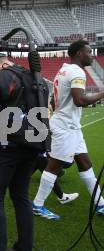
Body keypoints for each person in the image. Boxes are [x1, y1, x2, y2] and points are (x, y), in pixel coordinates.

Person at [0, 52, 49, 251]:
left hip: (5, 148)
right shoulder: (38, 79)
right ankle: (25, 246)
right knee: (21, 196)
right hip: (33, 148)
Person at [33, 40, 104, 219]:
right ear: (79, 53)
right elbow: (79, 100)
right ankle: (37, 204)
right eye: (89, 52)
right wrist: (102, 93)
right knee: (54, 166)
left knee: (85, 163)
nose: (91, 55)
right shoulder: (76, 71)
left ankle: (100, 203)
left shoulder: (64, 69)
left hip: (69, 125)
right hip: (66, 127)